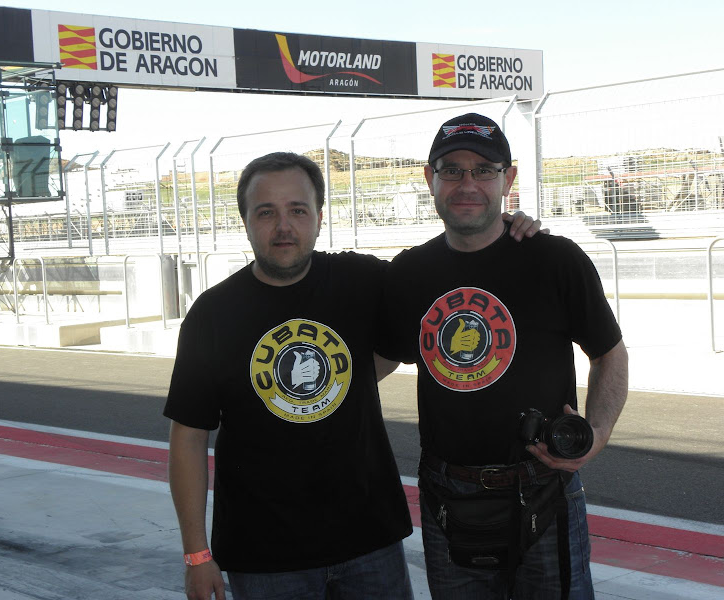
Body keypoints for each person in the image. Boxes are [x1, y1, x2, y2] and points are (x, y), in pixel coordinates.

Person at [164, 151, 542, 600]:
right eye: (266, 213)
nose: (283, 227)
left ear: (319, 217)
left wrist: (502, 232)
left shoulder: (361, 280)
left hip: (370, 545)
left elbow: (448, 276)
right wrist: (196, 554)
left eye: (298, 210)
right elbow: (188, 436)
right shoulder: (213, 314)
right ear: (245, 221)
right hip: (265, 557)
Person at [377, 113, 629, 599]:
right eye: (452, 170)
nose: (467, 184)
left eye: (484, 170)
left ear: (508, 179)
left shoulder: (556, 260)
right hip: (447, 494)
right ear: (430, 178)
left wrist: (597, 435)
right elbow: (383, 357)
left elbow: (609, 354)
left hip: (545, 487)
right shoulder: (409, 272)